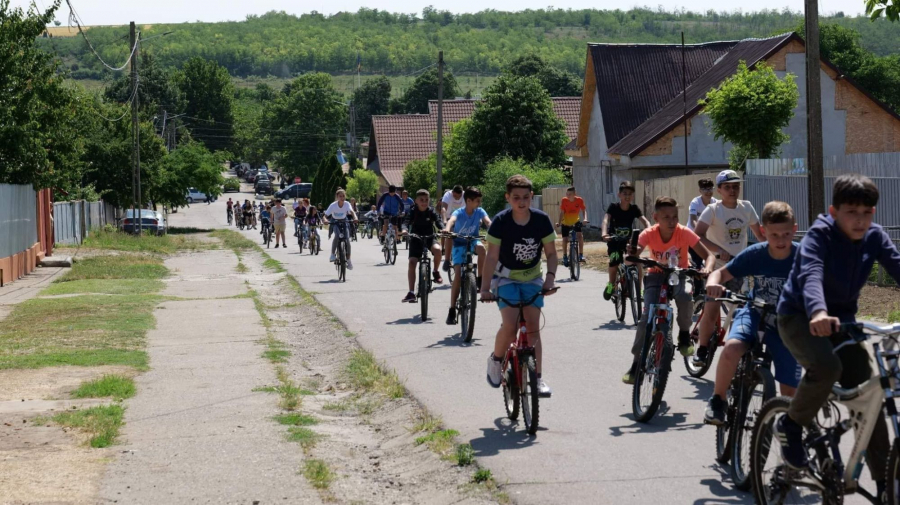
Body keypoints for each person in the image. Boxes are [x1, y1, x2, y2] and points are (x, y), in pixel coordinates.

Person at [775, 174, 900, 495]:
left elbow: (897, 265)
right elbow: (812, 272)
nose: (860, 220)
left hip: (843, 322)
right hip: (801, 316)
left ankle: (885, 483)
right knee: (827, 367)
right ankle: (790, 424)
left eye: (867, 212)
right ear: (833, 211)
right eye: (851, 212)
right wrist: (817, 311)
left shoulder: (874, 236)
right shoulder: (820, 236)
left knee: (871, 397)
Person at [703, 201, 801, 426]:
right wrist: (713, 284)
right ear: (763, 232)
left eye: (786, 234)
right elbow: (720, 274)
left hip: (787, 323)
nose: (780, 240)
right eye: (774, 234)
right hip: (755, 312)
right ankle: (718, 399)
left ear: (794, 230)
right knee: (732, 348)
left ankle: (783, 430)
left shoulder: (802, 256)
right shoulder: (755, 254)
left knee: (789, 393)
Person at [622, 197, 715, 385]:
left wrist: (707, 268)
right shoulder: (648, 233)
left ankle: (683, 334)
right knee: (645, 318)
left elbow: (709, 255)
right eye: (666, 217)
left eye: (675, 217)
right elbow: (635, 253)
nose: (672, 221)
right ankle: (636, 363)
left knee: (686, 298)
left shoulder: (684, 233)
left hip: (680, 274)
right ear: (656, 217)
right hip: (655, 275)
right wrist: (632, 254)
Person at [480, 175, 557, 397]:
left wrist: (550, 279)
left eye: (525, 197)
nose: (521, 202)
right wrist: (485, 288)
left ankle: (538, 378)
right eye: (516, 198)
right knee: (510, 325)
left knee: (533, 327)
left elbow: (551, 254)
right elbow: (491, 257)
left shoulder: (541, 220)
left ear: (531, 197)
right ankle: (496, 359)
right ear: (508, 198)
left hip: (533, 278)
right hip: (505, 279)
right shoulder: (500, 222)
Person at [693, 170, 764, 367]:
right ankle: (702, 348)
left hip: (739, 266)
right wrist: (719, 250)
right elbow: (698, 235)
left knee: (742, 310)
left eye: (736, 186)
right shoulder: (713, 210)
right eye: (727, 187)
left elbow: (760, 235)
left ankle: (738, 350)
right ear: (719, 190)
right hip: (718, 267)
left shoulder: (746, 207)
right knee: (713, 309)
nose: (732, 190)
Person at [444, 187, 492, 325]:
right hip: (459, 243)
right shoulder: (458, 212)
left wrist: (495, 228)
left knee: (482, 249)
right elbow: (451, 221)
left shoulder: (479, 211)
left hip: (473, 241)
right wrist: (447, 230)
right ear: (468, 201)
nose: (479, 203)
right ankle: (452, 309)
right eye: (477, 201)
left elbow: (488, 222)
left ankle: (480, 278)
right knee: (458, 275)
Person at [601, 181, 650, 301]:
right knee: (615, 259)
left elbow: (646, 221)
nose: (627, 196)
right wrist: (604, 233)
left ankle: (639, 290)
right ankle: (611, 284)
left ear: (633, 196)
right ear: (619, 195)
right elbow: (606, 220)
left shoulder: (634, 209)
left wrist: (649, 230)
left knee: (636, 261)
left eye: (630, 194)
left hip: (628, 241)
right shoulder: (614, 207)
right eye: (624, 193)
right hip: (614, 240)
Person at [400, 189, 444, 303]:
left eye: (426, 200)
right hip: (416, 238)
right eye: (421, 200)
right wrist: (404, 229)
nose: (424, 202)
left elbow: (438, 221)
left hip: (430, 237)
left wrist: (442, 228)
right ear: (416, 201)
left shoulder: (431, 211)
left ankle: (435, 271)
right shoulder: (413, 211)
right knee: (412, 262)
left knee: (438, 250)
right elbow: (406, 221)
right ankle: (411, 292)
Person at [687, 178, 718, 266]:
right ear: (700, 191)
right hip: (693, 236)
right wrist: (701, 233)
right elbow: (693, 220)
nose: (708, 192)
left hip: (708, 237)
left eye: (710, 189)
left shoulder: (715, 202)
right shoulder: (695, 202)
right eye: (705, 189)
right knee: (698, 262)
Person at [324, 189, 358, 269]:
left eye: (343, 196)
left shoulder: (347, 204)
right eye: (340, 196)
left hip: (344, 221)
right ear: (337, 197)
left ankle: (348, 260)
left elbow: (352, 212)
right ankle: (332, 254)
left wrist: (355, 218)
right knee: (337, 235)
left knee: (347, 240)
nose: (342, 198)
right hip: (335, 221)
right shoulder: (333, 205)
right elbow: (325, 215)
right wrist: (325, 220)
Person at [556, 186, 589, 267]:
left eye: (570, 194)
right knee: (565, 239)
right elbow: (562, 212)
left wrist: (585, 219)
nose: (568, 196)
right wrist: (559, 222)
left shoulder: (579, 200)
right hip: (566, 222)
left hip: (575, 221)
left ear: (575, 194)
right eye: (567, 194)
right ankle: (564, 256)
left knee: (580, 236)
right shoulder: (564, 200)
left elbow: (584, 210)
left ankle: (581, 255)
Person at [441, 185, 466, 272]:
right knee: (450, 235)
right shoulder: (448, 195)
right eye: (455, 196)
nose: (456, 198)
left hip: (461, 218)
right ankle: (447, 260)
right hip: (449, 217)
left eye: (459, 197)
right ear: (452, 193)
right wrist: (444, 220)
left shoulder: (465, 195)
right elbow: (443, 208)